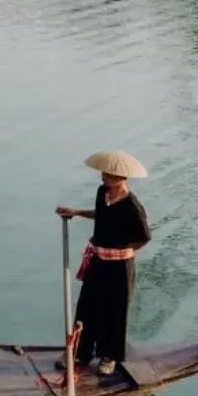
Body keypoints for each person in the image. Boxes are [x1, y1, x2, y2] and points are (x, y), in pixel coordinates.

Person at [57, 151, 152, 376]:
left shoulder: (132, 205)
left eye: (108, 174)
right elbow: (101, 214)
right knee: (87, 304)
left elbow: (144, 237)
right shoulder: (102, 193)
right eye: (104, 173)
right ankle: (81, 352)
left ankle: (109, 356)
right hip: (98, 261)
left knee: (115, 310)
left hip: (120, 267)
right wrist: (76, 212)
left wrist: (123, 250)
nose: (103, 176)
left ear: (121, 178)